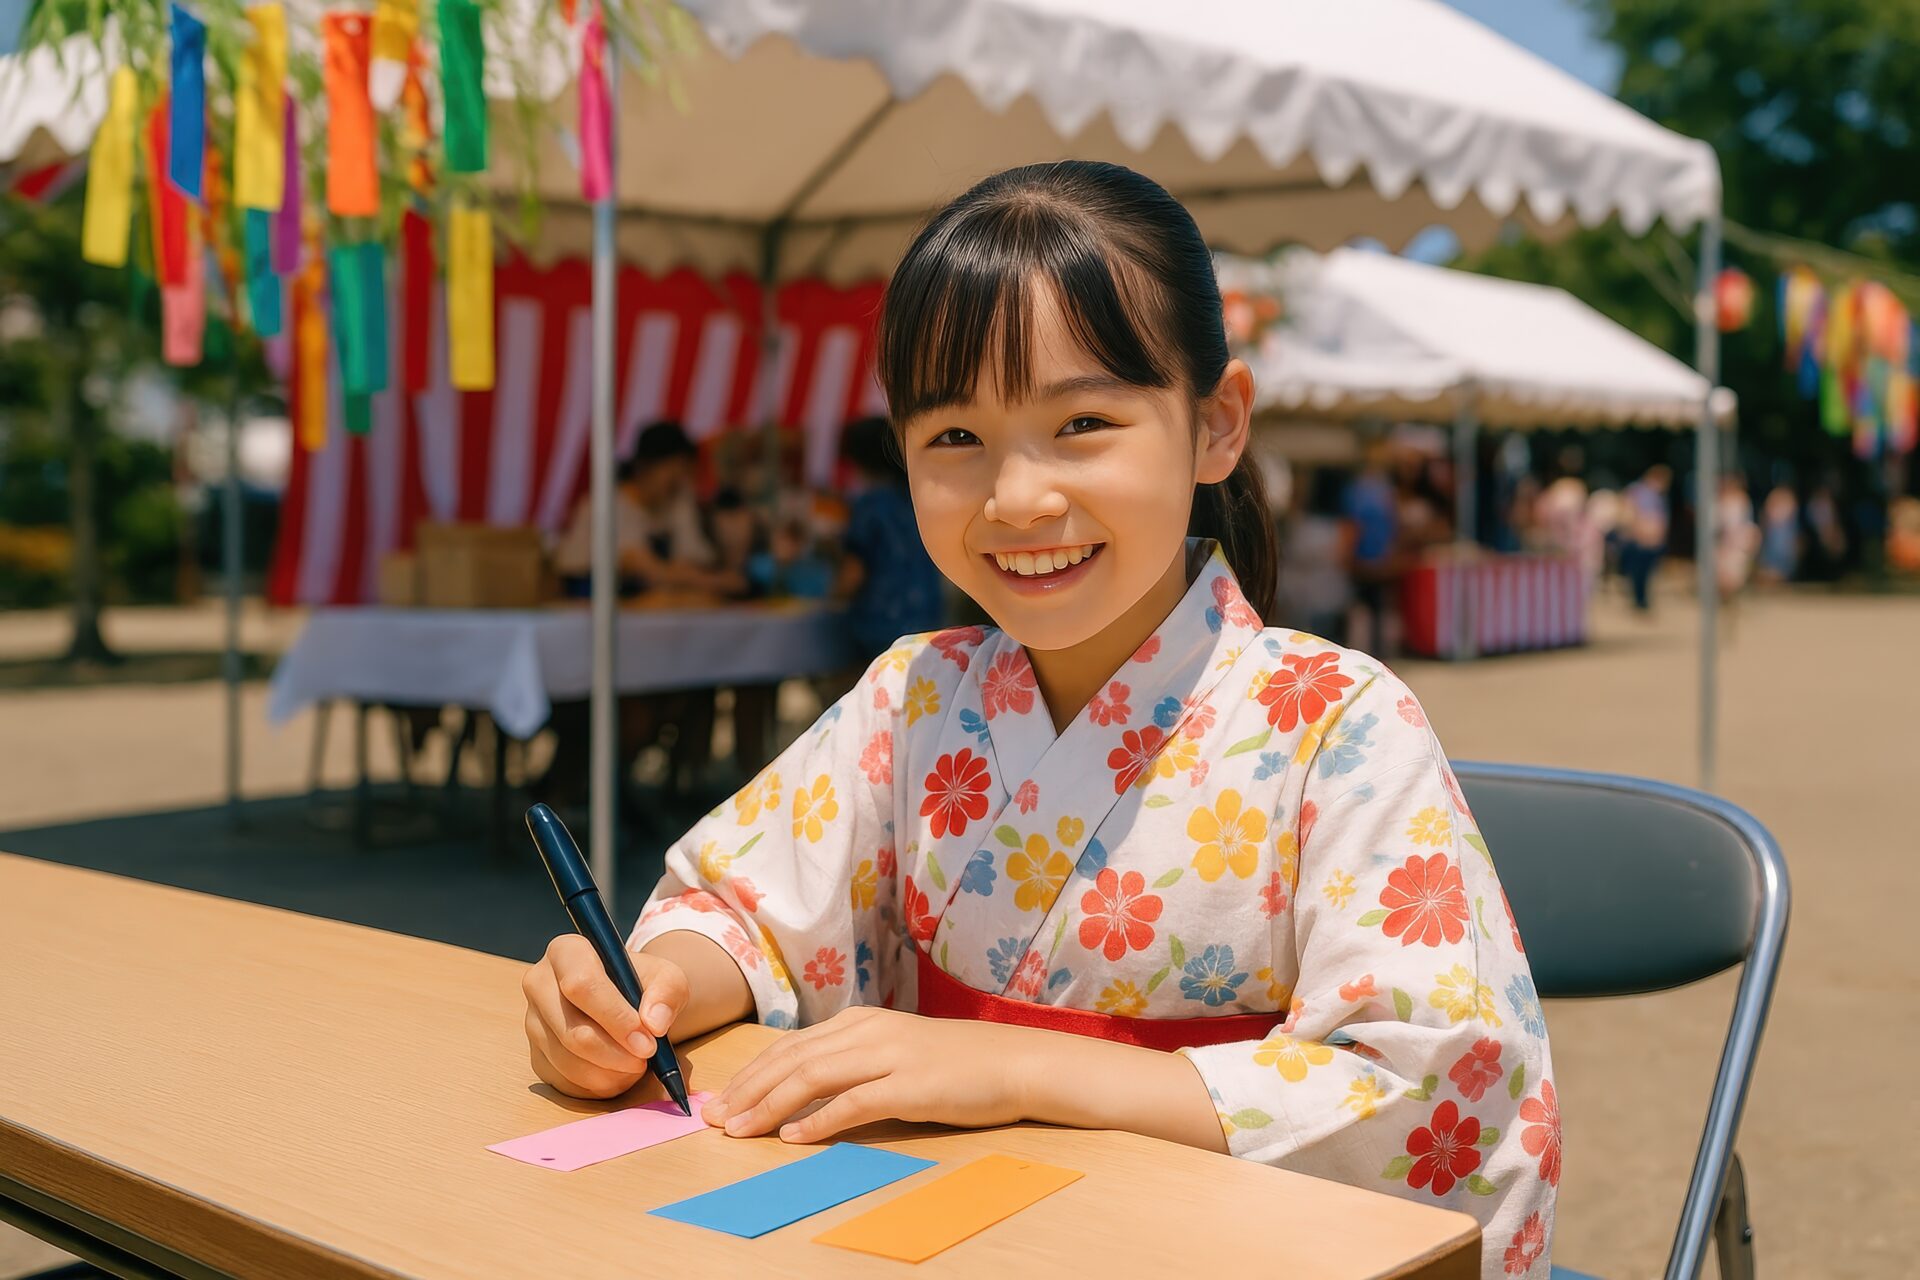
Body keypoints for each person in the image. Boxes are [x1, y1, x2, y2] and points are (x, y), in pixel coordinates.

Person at [519, 162, 1555, 1277]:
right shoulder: (914, 699)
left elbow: (1433, 1081)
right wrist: (652, 986)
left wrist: (1015, 1068)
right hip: (956, 1235)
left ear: (1217, 424)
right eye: (954, 437)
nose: (1017, 497)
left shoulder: (1337, 724)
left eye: (1083, 421)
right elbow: (755, 905)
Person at [552, 421, 742, 598]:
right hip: (590, 593)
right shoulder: (609, 504)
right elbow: (645, 568)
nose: (680, 483)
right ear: (645, 467)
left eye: (685, 474)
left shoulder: (677, 500)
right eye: (672, 475)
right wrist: (715, 581)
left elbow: (690, 557)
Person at [836, 415, 946, 660]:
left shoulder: (869, 506)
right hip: (928, 615)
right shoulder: (918, 498)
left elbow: (853, 574)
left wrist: (831, 595)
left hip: (878, 623)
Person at [1618, 464, 1672, 612]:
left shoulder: (1658, 495)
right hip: (1639, 538)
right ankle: (1639, 600)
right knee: (1638, 572)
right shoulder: (1637, 491)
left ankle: (1642, 600)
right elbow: (1630, 514)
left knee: (1648, 572)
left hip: (1652, 540)